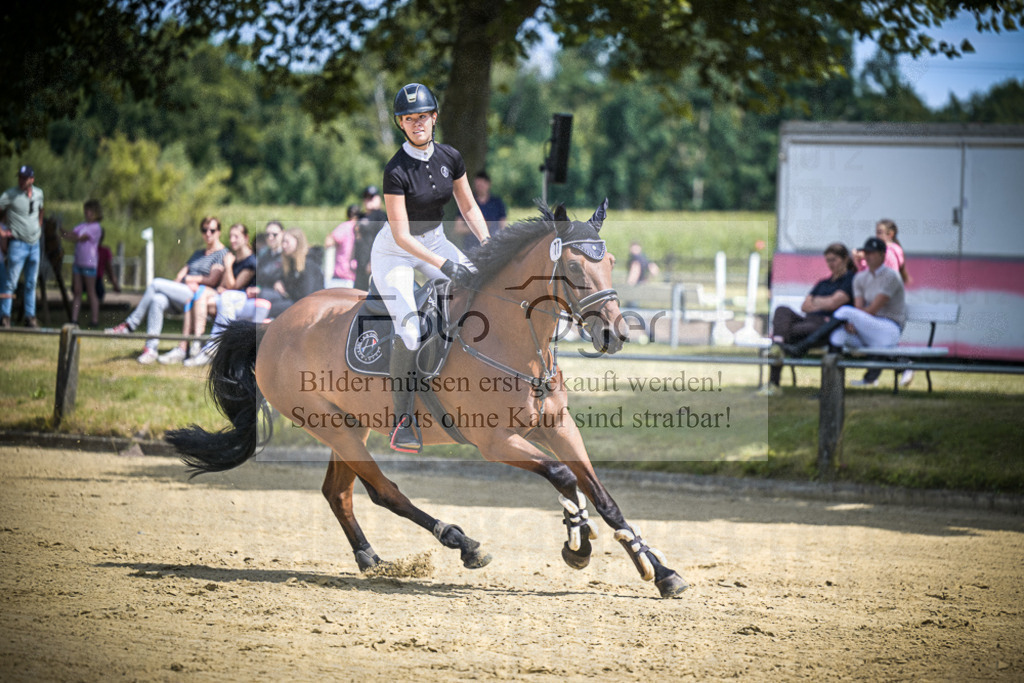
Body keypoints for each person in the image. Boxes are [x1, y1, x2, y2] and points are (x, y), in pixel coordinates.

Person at [374, 82, 491, 452]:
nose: (417, 123)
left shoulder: (450, 157)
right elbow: (402, 235)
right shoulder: (396, 170)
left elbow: (468, 207)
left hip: (436, 240)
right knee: (410, 332)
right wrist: (444, 265)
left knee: (482, 291)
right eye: (409, 119)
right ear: (401, 124)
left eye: (422, 116)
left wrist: (487, 244)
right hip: (396, 251)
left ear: (434, 117)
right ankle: (403, 421)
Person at [783, 237, 907, 387]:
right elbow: (859, 308)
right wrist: (854, 322)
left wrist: (854, 319)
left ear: (882, 255)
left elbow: (872, 310)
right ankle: (830, 387)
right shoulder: (860, 278)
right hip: (869, 330)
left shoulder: (891, 276)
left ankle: (803, 346)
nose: (868, 256)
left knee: (845, 311)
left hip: (889, 329)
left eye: (872, 253)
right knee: (838, 335)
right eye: (866, 253)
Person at [105, 216, 227, 364]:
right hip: (183, 292)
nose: (208, 233)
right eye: (204, 230)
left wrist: (190, 279)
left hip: (199, 297)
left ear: (219, 232)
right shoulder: (198, 254)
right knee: (158, 300)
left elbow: (212, 280)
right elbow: (180, 276)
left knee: (155, 283)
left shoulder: (221, 254)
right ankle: (151, 348)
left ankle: (130, 325)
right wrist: (180, 284)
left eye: (212, 230)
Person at [760, 243, 856, 396]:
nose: (830, 264)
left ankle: (775, 377)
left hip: (827, 326)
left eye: (834, 260)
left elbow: (834, 304)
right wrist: (825, 302)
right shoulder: (823, 283)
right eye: (828, 260)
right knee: (782, 310)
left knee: (785, 333)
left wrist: (816, 302)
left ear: (845, 259)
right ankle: (778, 345)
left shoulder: (850, 280)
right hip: (809, 321)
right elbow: (805, 306)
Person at [162, 222, 258, 365]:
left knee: (199, 296)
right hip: (227, 298)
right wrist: (223, 285)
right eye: (230, 236)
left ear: (246, 238)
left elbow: (234, 286)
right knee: (194, 297)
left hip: (240, 303)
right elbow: (224, 285)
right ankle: (190, 345)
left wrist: (227, 266)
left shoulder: (250, 261)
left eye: (236, 236)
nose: (232, 240)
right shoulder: (234, 258)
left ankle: (198, 345)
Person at [0, 166, 45, 328]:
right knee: (11, 283)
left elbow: (41, 211)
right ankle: (5, 316)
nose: (21, 180)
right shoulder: (9, 195)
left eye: (24, 178)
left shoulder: (39, 193)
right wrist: (2, 231)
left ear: (32, 179)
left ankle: (30, 317)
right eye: (20, 177)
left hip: (34, 245)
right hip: (18, 244)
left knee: (31, 283)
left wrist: (38, 226)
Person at [61, 198, 104, 327]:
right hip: (78, 262)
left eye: (89, 210)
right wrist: (61, 230)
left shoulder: (96, 227)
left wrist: (65, 234)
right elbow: (71, 233)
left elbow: (79, 237)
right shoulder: (82, 225)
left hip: (89, 263)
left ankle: (95, 319)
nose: (86, 213)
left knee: (91, 292)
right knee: (77, 292)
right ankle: (74, 319)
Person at [453, 170, 506, 251]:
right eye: (478, 185)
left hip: (493, 248)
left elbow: (503, 227)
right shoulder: (467, 202)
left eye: (482, 185)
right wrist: (477, 227)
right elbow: (458, 228)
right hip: (471, 248)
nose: (480, 187)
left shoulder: (497, 203)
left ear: (488, 184)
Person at [353, 186, 387, 290]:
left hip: (372, 263)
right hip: (360, 263)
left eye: (371, 197)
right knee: (358, 294)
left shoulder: (381, 216)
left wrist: (373, 262)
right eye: (366, 197)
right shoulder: (362, 216)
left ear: (378, 198)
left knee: (372, 294)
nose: (368, 200)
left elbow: (381, 240)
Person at [325, 204, 359, 288]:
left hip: (342, 275)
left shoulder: (344, 227)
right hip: (357, 276)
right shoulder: (363, 227)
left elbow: (328, 242)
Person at [95, 228, 121, 304]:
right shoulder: (105, 251)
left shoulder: (86, 250)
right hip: (96, 282)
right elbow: (109, 270)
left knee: (84, 297)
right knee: (97, 298)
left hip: (83, 282)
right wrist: (115, 284)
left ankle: (84, 301)